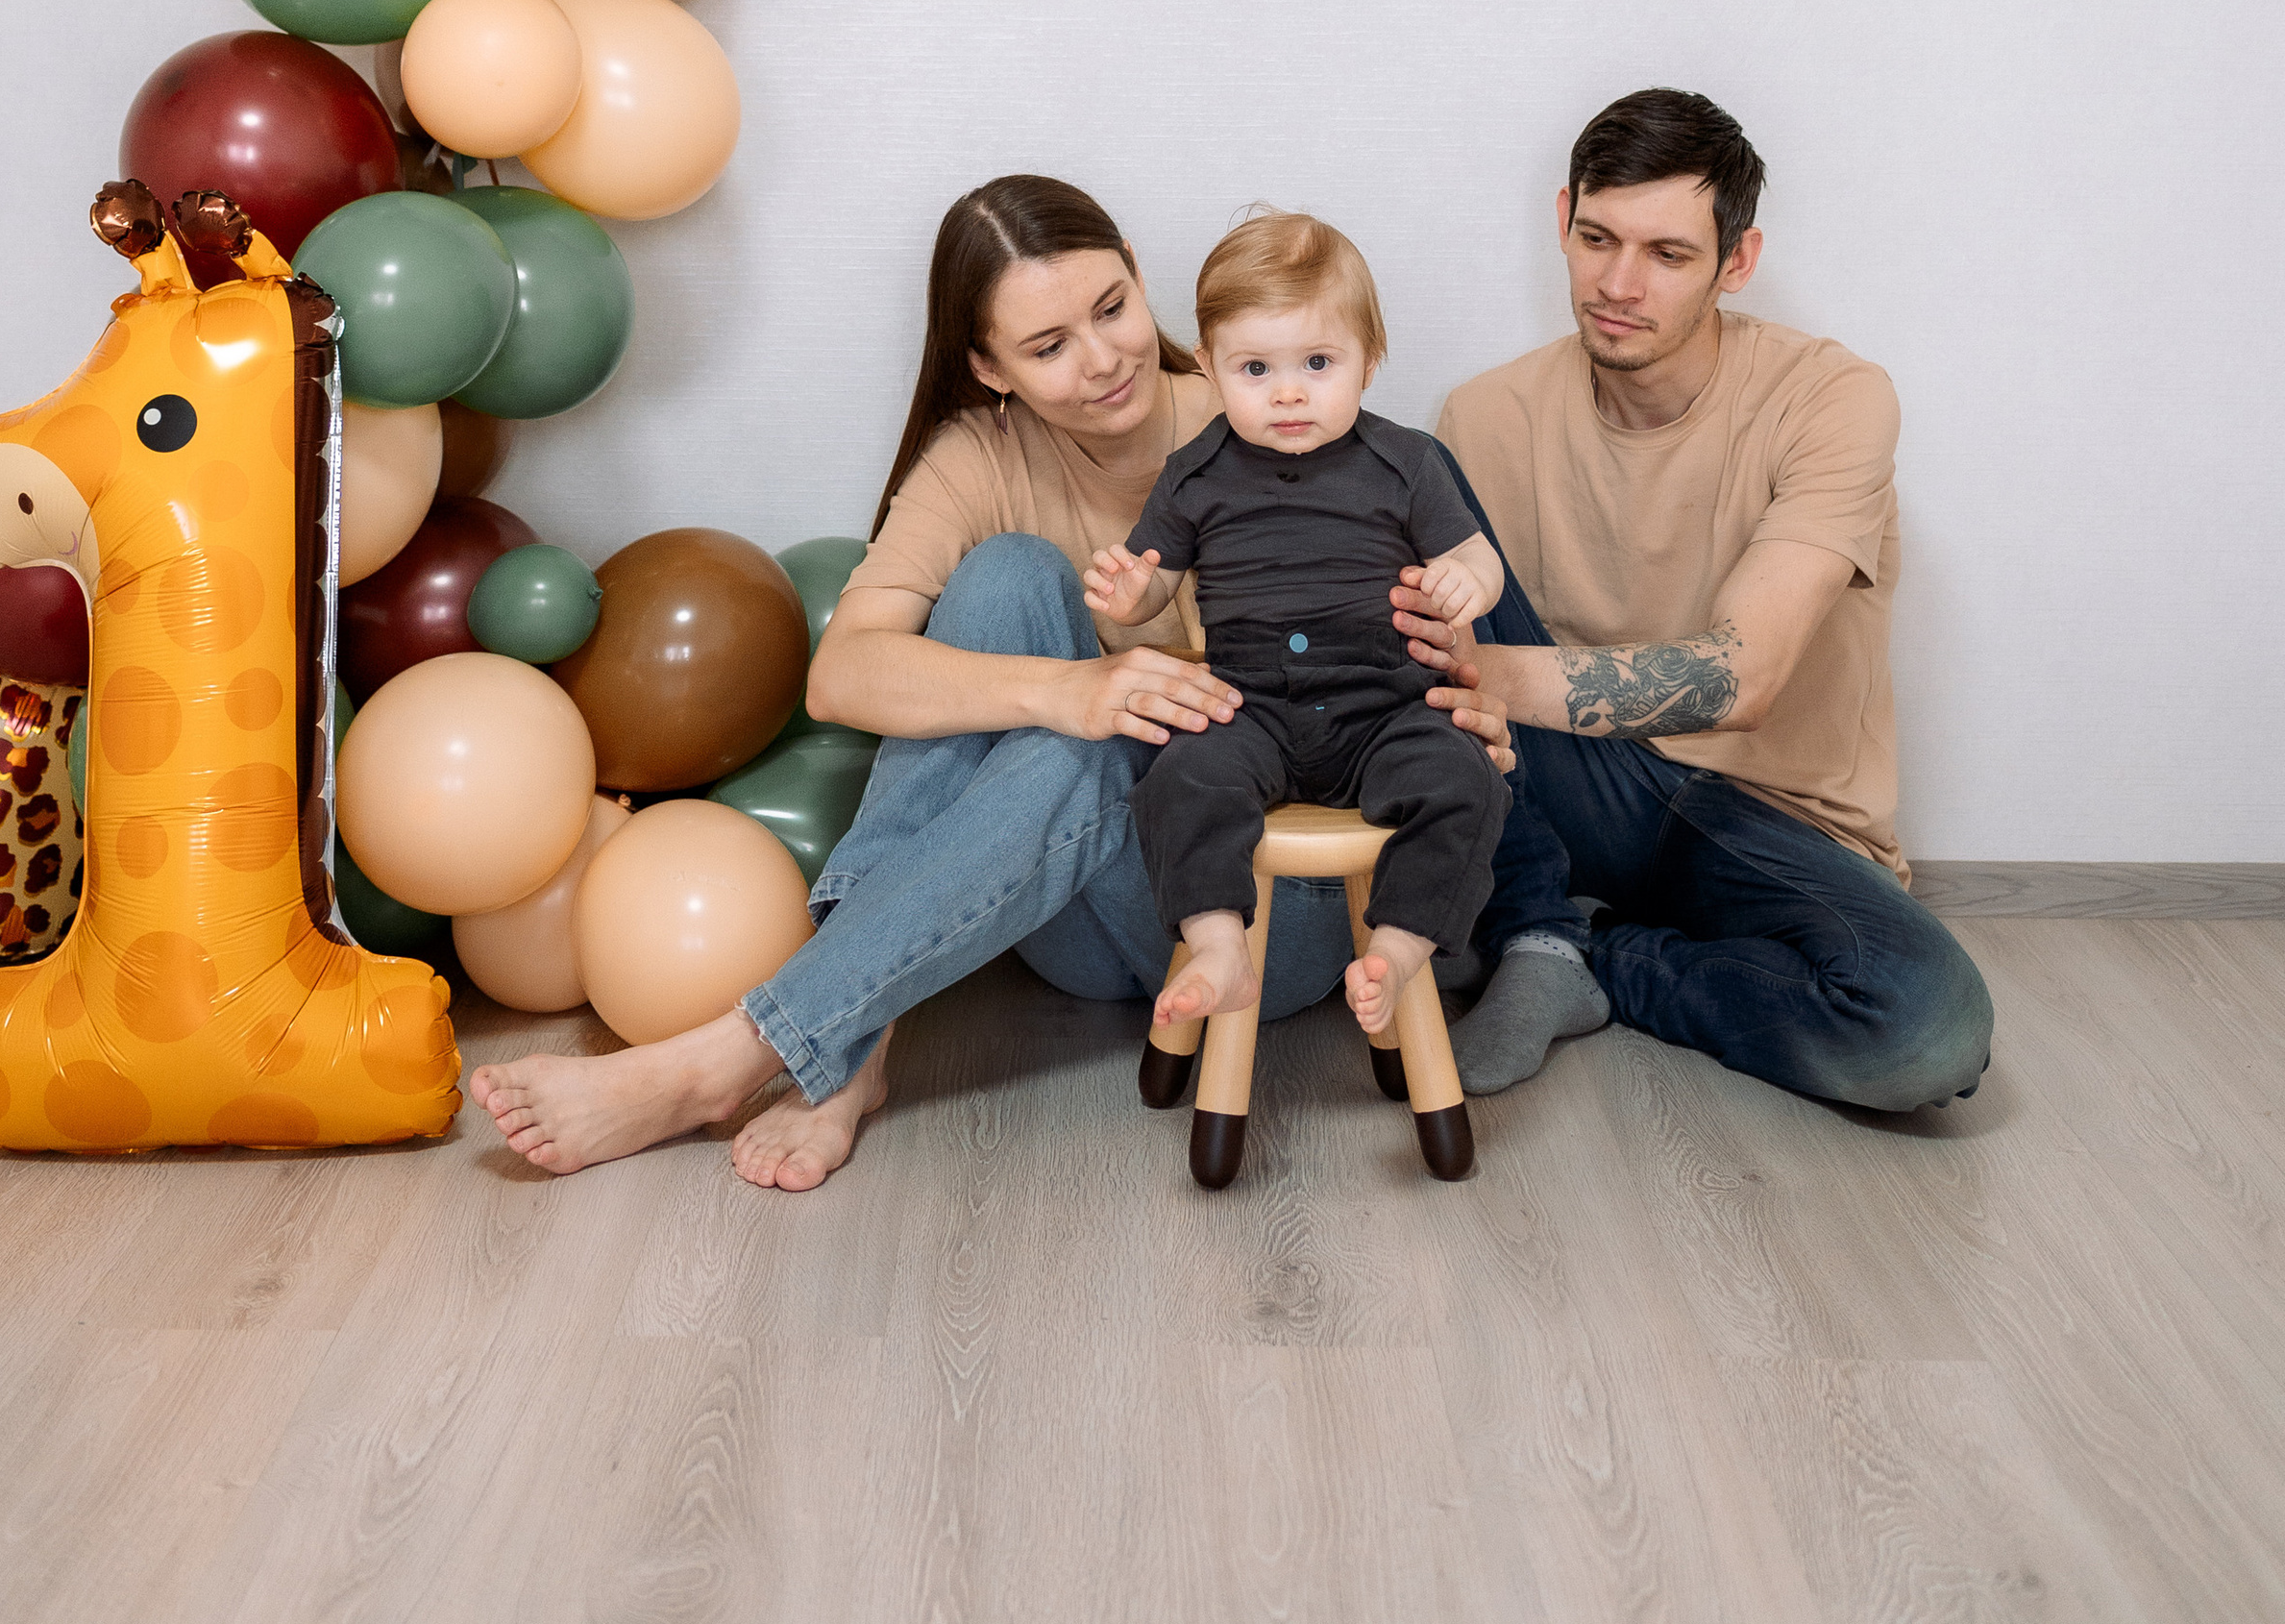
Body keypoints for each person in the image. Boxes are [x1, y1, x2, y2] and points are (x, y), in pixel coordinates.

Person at [468, 174, 1518, 1184]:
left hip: (1255, 913)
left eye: (1113, 307)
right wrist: (1065, 692)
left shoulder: (1274, 407)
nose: (1105, 358)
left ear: (1142, 278)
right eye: (1048, 345)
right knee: (1011, 582)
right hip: (1073, 907)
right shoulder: (981, 454)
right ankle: (852, 1039)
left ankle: (757, 1049)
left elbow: (1423, 648)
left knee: (1104, 739)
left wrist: (1466, 699)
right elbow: (843, 676)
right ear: (988, 366)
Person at [1410, 87, 1995, 1116]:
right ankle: (1534, 920)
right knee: (1386, 489)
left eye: (1668, 255)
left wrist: (1491, 674)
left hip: (1767, 815)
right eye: (1597, 238)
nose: (1618, 284)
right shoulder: (1483, 413)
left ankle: (1586, 952)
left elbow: (1743, 676)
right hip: (1575, 783)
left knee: (1925, 1032)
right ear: (1562, 220)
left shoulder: (1831, 397)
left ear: (1737, 261)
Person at [1087, 210, 1508, 1042]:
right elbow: (1155, 587)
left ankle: (1396, 947)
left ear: (1368, 362)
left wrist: (1467, 580)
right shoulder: (1195, 473)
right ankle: (1218, 947)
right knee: (1181, 779)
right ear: (1208, 367)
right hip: (1252, 714)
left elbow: (1480, 562)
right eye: (1255, 367)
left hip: (1385, 709)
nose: (1288, 391)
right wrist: (1127, 594)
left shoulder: (1407, 462)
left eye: (1318, 363)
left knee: (1466, 778)